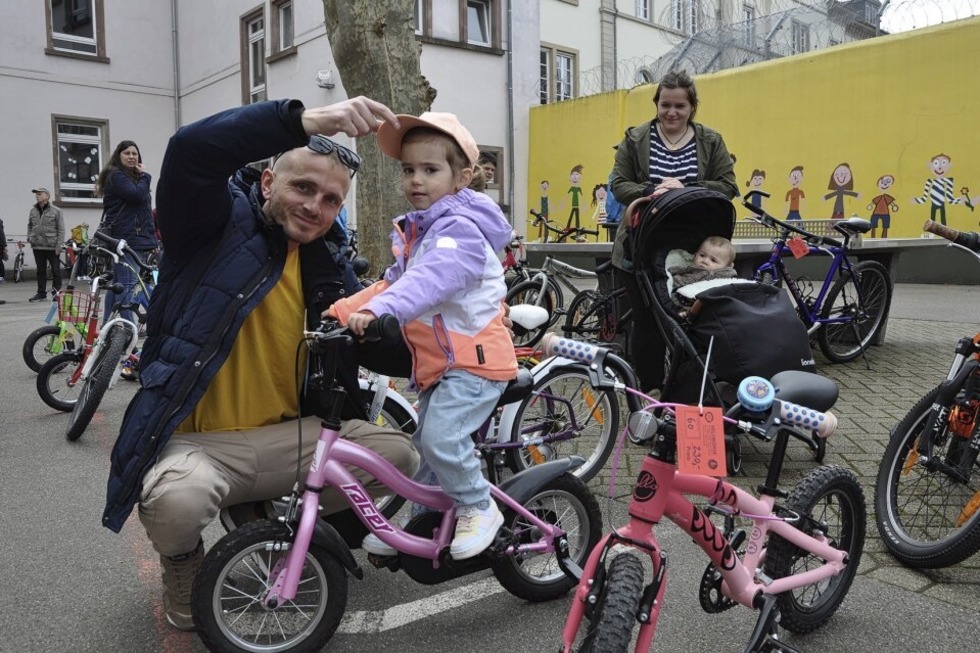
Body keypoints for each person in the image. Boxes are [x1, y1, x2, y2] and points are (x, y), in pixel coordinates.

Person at [101, 97, 420, 631]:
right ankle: (183, 561)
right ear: (269, 182)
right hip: (197, 442)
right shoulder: (207, 227)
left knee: (397, 457)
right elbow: (190, 151)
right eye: (303, 187)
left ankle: (290, 528)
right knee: (178, 502)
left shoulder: (326, 265)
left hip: (288, 439)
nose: (315, 206)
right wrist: (303, 120)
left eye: (330, 199)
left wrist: (435, 329)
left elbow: (375, 348)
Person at [328, 112, 517, 561]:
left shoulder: (460, 232)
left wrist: (378, 311)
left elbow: (428, 281)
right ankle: (424, 524)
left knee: (441, 440)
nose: (416, 180)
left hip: (476, 364)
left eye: (430, 170)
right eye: (408, 169)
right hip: (443, 366)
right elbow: (393, 283)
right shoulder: (423, 230)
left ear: (461, 178)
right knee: (428, 450)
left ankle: (478, 507)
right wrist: (344, 310)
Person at [609, 70, 738, 392]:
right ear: (656, 104)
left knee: (692, 318)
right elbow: (618, 183)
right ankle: (650, 386)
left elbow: (728, 185)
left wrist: (686, 186)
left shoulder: (710, 140)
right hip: (641, 241)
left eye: (680, 106)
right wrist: (651, 190)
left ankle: (687, 385)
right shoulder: (636, 138)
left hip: (695, 248)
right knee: (647, 321)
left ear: (692, 107)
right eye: (665, 104)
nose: (672, 112)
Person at [95, 140, 161, 323]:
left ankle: (108, 324)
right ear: (119, 156)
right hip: (127, 237)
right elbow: (136, 196)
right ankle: (126, 328)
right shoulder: (117, 175)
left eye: (134, 153)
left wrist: (151, 239)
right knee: (128, 284)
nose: (132, 157)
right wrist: (145, 175)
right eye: (127, 153)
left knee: (119, 283)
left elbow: (144, 210)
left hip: (132, 236)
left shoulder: (130, 178)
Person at [668, 236, 737, 314]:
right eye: (702, 255)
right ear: (695, 254)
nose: (705, 261)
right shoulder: (692, 270)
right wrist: (671, 278)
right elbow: (677, 273)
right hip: (688, 301)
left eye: (713, 260)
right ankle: (683, 312)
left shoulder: (727, 276)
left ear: (727, 266)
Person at [27, 188, 64, 302]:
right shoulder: (33, 211)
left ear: (47, 196)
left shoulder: (56, 211)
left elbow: (61, 229)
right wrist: (30, 237)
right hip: (37, 246)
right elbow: (30, 225)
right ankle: (41, 293)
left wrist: (59, 245)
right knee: (40, 270)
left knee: (56, 271)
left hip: (52, 246)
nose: (37, 196)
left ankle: (56, 293)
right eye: (36, 194)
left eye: (39, 194)